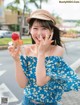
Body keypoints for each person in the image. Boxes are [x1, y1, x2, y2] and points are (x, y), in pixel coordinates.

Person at [8, 9, 80, 105]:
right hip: (27, 101)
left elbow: (41, 81)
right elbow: (22, 84)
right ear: (30, 30)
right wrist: (16, 60)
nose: (39, 33)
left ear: (51, 31)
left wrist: (41, 53)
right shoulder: (25, 50)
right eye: (35, 28)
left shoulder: (57, 50)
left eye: (44, 28)